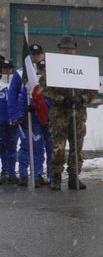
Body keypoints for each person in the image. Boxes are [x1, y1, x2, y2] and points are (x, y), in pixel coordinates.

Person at [43, 34, 93, 190]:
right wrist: (61, 98)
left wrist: (82, 98)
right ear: (59, 49)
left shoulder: (84, 66)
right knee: (58, 147)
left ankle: (74, 177)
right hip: (59, 114)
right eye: (65, 49)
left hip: (78, 114)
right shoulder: (52, 66)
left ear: (75, 50)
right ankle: (56, 177)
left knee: (77, 147)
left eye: (70, 49)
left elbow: (93, 90)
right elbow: (44, 88)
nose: (68, 52)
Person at [22, 45, 51, 188]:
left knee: (51, 148)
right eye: (41, 69)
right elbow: (23, 94)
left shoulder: (53, 81)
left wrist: (44, 105)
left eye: (38, 53)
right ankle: (37, 175)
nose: (43, 71)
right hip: (35, 118)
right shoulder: (29, 76)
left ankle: (52, 176)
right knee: (37, 148)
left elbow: (55, 99)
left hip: (51, 118)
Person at [1, 54, 25, 186]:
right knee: (1, 147)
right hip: (1, 122)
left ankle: (11, 172)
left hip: (13, 122)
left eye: (9, 68)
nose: (7, 71)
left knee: (12, 148)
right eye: (4, 68)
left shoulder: (15, 83)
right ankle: (3, 171)